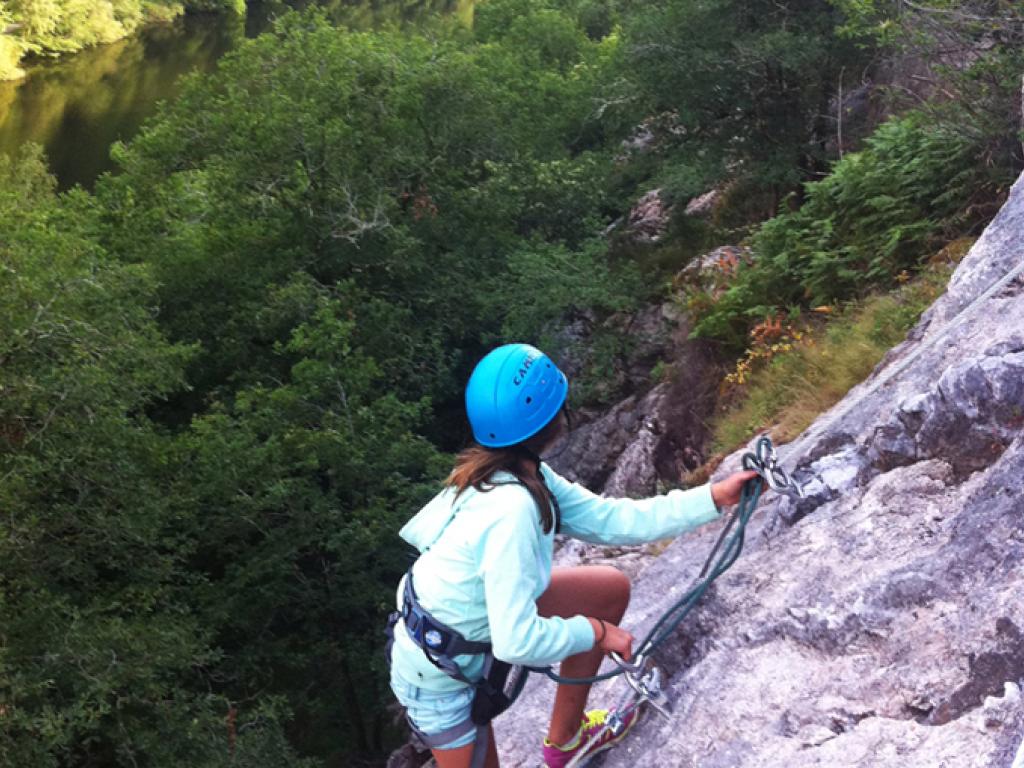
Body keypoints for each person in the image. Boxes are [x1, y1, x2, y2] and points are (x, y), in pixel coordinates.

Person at [387, 343, 760, 768]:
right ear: (555, 416)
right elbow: (516, 641)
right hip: (441, 677)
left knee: (606, 589)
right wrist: (597, 634)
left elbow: (613, 519)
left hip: (464, 629)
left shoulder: (517, 475)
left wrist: (714, 497)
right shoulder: (510, 510)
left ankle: (565, 740)